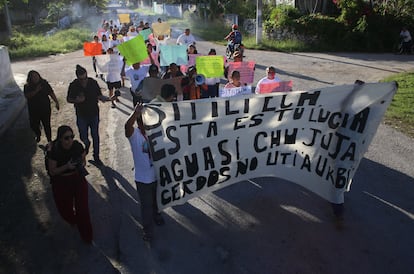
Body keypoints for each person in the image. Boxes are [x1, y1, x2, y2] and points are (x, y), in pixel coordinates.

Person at [125, 103, 165, 242]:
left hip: (157, 175)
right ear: (139, 122)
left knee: (157, 201)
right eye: (144, 121)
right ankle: (148, 231)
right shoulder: (134, 135)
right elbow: (127, 127)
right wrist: (135, 112)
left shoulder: (155, 132)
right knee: (146, 206)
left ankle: (157, 215)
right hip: (143, 179)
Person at [47, 125, 93, 244]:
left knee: (82, 209)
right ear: (60, 139)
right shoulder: (55, 151)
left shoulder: (77, 146)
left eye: (71, 137)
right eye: (66, 138)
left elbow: (83, 158)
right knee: (64, 210)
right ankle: (73, 220)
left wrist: (80, 164)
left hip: (77, 179)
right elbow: (52, 171)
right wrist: (67, 166)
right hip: (61, 182)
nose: (70, 140)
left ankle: (87, 236)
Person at [66, 65, 112, 166]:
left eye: (85, 78)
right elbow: (68, 99)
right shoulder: (73, 85)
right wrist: (76, 100)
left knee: (95, 135)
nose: (83, 81)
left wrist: (108, 99)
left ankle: (96, 156)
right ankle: (86, 144)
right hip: (81, 115)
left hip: (94, 113)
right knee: (83, 136)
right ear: (78, 77)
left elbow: (99, 96)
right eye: (81, 79)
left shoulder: (92, 83)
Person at [24, 70, 59, 143]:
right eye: (33, 77)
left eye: (36, 76)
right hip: (34, 110)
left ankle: (49, 140)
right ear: (30, 78)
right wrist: (36, 90)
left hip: (45, 108)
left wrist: (56, 102)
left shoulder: (44, 83)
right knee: (34, 125)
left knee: (47, 125)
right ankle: (38, 134)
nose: (35, 78)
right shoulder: (27, 86)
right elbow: (27, 96)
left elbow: (51, 92)